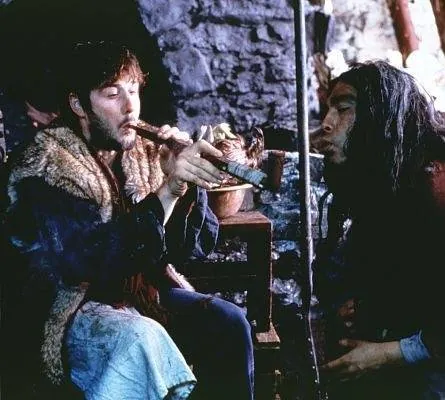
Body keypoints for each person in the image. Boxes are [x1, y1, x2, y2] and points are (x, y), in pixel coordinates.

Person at [2, 41, 254, 399]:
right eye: (112, 94)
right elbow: (87, 261)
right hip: (67, 310)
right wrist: (167, 191)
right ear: (79, 105)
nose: (129, 106)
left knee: (228, 323)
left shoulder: (144, 154)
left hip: (139, 297)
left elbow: (190, 249)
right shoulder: (48, 162)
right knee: (140, 339)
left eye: (133, 90)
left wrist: (184, 184)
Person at [310, 60, 445, 399]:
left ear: (379, 116)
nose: (326, 124)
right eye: (328, 110)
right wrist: (361, 303)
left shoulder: (437, 186)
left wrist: (388, 354)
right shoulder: (384, 181)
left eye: (343, 109)